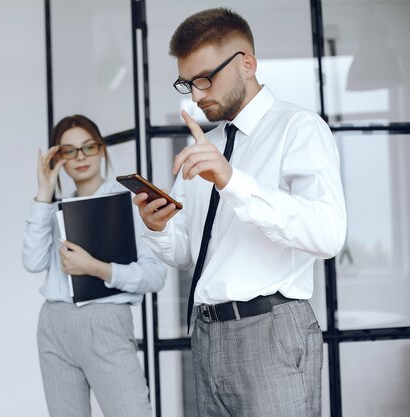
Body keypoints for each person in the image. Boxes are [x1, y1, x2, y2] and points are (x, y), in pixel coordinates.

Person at [133, 8, 347, 417]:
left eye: (204, 79)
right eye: (187, 83)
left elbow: (328, 233)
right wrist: (158, 227)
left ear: (247, 63)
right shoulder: (206, 145)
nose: (196, 95)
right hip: (207, 335)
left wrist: (233, 181)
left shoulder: (298, 129)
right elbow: (186, 255)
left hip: (270, 330)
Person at [22, 114, 166, 417]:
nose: (81, 157)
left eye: (89, 147)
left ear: (102, 149)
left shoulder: (130, 203)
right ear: (58, 158)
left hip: (106, 322)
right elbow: (32, 262)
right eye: (69, 151)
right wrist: (44, 193)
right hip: (55, 322)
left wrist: (97, 268)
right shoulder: (52, 209)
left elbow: (155, 276)